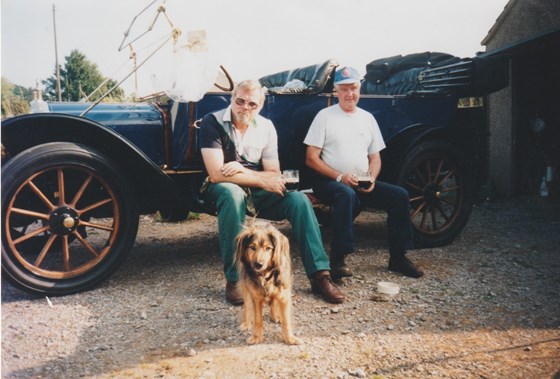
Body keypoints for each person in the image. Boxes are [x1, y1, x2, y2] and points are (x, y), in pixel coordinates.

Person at [199, 79, 345, 305]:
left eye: (252, 104)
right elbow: (217, 174)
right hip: (222, 187)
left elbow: (273, 172)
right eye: (240, 101)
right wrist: (257, 177)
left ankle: (319, 275)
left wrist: (246, 172)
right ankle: (235, 279)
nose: (245, 107)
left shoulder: (266, 127)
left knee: (297, 199)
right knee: (232, 194)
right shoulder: (213, 121)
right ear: (232, 99)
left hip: (255, 188)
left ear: (260, 106)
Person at [304, 66, 424, 279]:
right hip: (329, 181)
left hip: (360, 180)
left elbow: (375, 157)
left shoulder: (368, 118)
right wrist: (340, 177)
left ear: (359, 89)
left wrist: (372, 178)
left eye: (354, 88)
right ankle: (338, 259)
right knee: (345, 193)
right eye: (344, 89)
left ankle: (398, 258)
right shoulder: (324, 116)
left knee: (399, 195)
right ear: (336, 91)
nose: (350, 94)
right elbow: (311, 158)